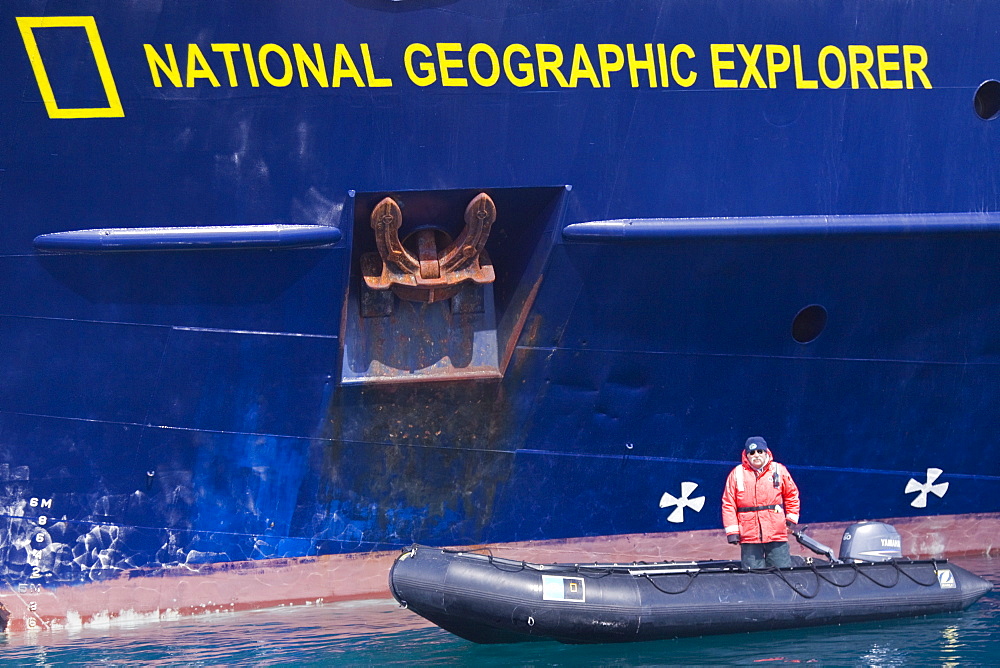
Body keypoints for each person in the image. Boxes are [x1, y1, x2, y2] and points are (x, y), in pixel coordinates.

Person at [721, 436, 800, 569]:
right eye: (752, 453)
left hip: (776, 533)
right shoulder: (736, 474)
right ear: (746, 455)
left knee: (782, 571)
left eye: (759, 451)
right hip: (749, 535)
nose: (756, 455)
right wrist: (732, 531)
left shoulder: (779, 470)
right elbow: (728, 504)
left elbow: (792, 495)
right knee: (753, 575)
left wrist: (790, 521)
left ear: (766, 452)